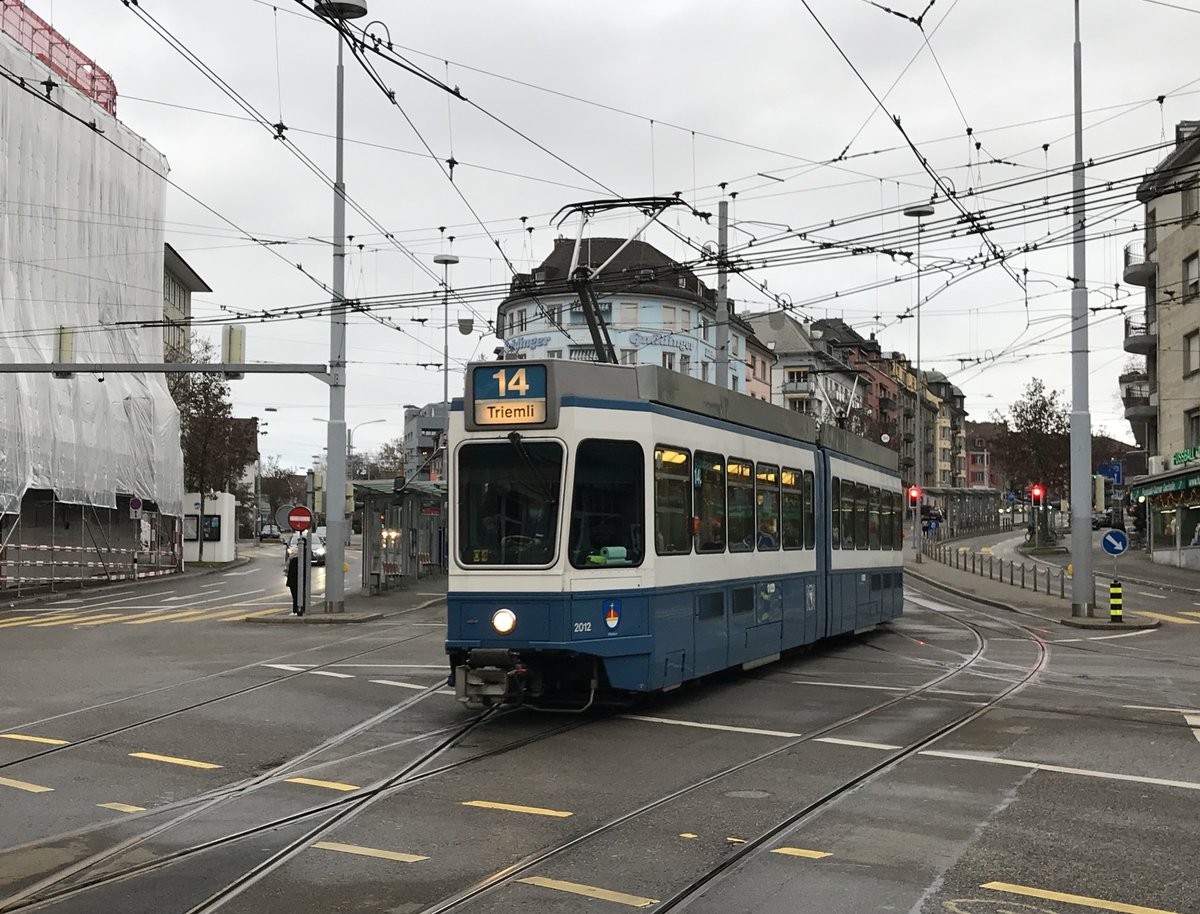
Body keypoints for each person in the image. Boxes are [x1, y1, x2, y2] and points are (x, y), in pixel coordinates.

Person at [286, 549, 302, 615]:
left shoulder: (293, 561)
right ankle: (297, 610)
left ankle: (296, 610)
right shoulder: (298, 560)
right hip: (295, 581)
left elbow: (291, 572)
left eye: (292, 553)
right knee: (296, 596)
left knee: (295, 596)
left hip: (293, 582)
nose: (290, 555)